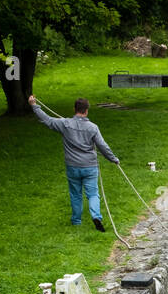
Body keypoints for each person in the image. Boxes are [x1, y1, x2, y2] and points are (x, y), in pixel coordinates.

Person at [28, 94, 120, 231]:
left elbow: (46, 120)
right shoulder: (93, 127)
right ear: (87, 110)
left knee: (75, 194)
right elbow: (103, 146)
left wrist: (34, 105)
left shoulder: (65, 124)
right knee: (93, 194)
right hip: (90, 166)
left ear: (74, 109)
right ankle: (96, 217)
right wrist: (113, 159)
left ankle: (76, 221)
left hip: (72, 166)